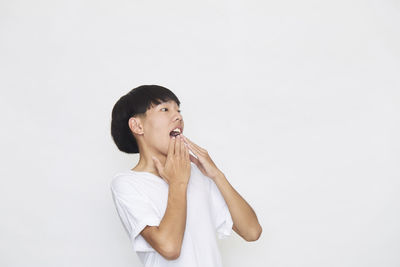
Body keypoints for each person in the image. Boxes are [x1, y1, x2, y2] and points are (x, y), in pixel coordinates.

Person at [110, 85, 262, 267]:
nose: (178, 117)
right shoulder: (127, 184)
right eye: (165, 109)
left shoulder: (196, 174)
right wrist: (178, 183)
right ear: (137, 126)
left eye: (178, 110)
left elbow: (252, 232)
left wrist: (217, 175)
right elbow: (170, 247)